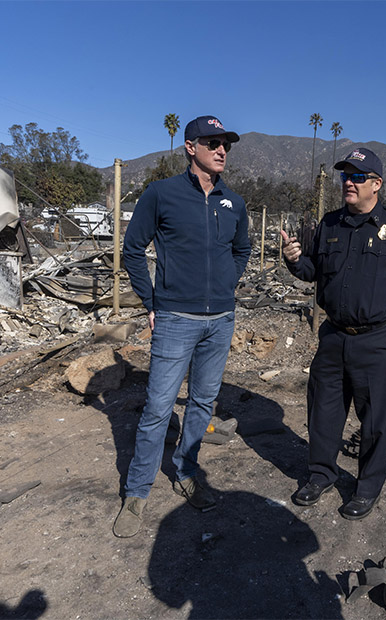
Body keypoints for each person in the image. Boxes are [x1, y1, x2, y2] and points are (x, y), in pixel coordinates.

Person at [113, 116, 250, 538]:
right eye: (213, 142)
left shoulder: (234, 202)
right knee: (158, 408)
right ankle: (137, 492)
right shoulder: (162, 194)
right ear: (191, 147)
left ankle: (187, 472)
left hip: (221, 321)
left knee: (203, 403)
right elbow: (132, 250)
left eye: (225, 143)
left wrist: (227, 284)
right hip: (174, 319)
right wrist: (152, 302)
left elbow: (241, 249)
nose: (222, 149)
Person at [281, 147, 386, 520]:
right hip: (333, 337)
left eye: (358, 176)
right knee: (323, 412)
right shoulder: (330, 224)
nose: (349, 182)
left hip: (379, 340)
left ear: (376, 184)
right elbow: (312, 271)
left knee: (376, 420)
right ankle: (321, 475)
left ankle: (367, 487)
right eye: (345, 176)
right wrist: (293, 260)